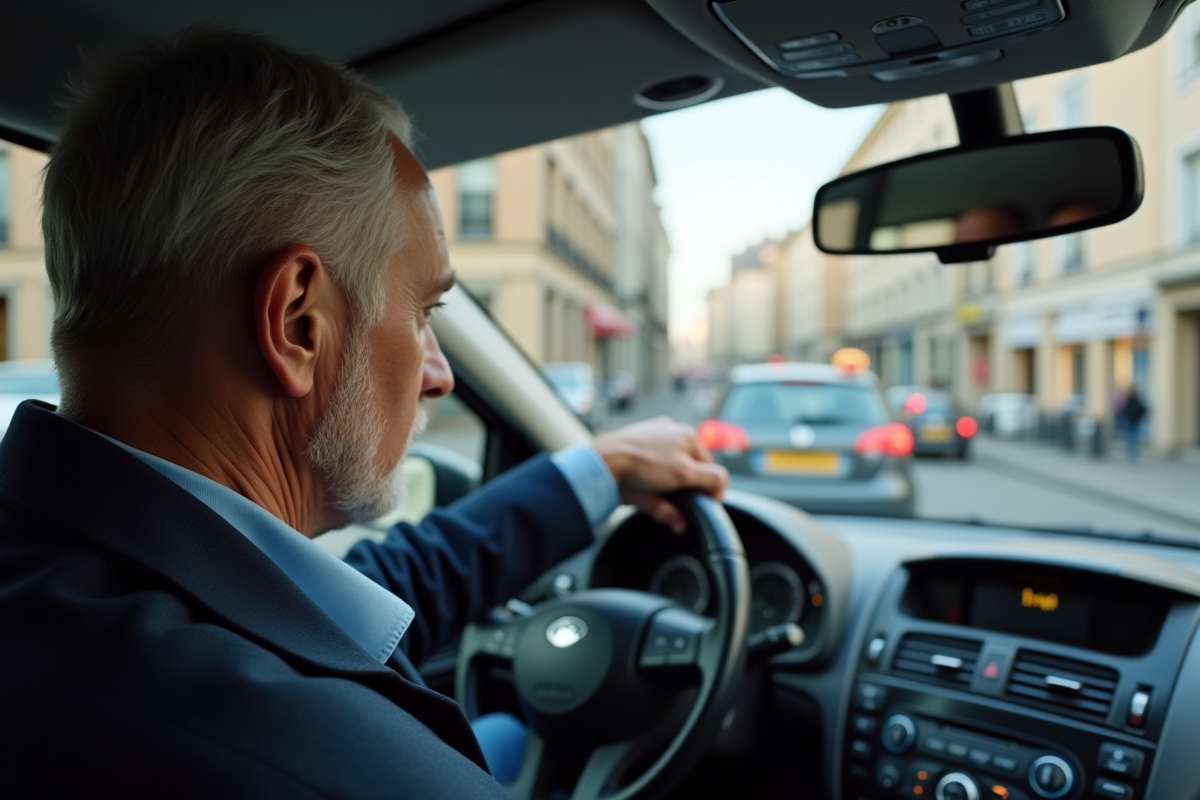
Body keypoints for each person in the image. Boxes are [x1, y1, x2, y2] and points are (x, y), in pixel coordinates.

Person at [0, 28, 728, 799]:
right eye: (423, 312)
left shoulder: (65, 565)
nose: (440, 375)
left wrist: (595, 470)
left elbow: (333, 601)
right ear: (298, 323)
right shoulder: (351, 769)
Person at [1116, 384, 1148, 461]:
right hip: (1133, 420)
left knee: (1130, 436)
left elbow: (1124, 409)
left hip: (1131, 420)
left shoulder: (1129, 399)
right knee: (1133, 436)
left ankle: (1131, 451)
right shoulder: (1134, 399)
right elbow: (1141, 409)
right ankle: (1132, 451)